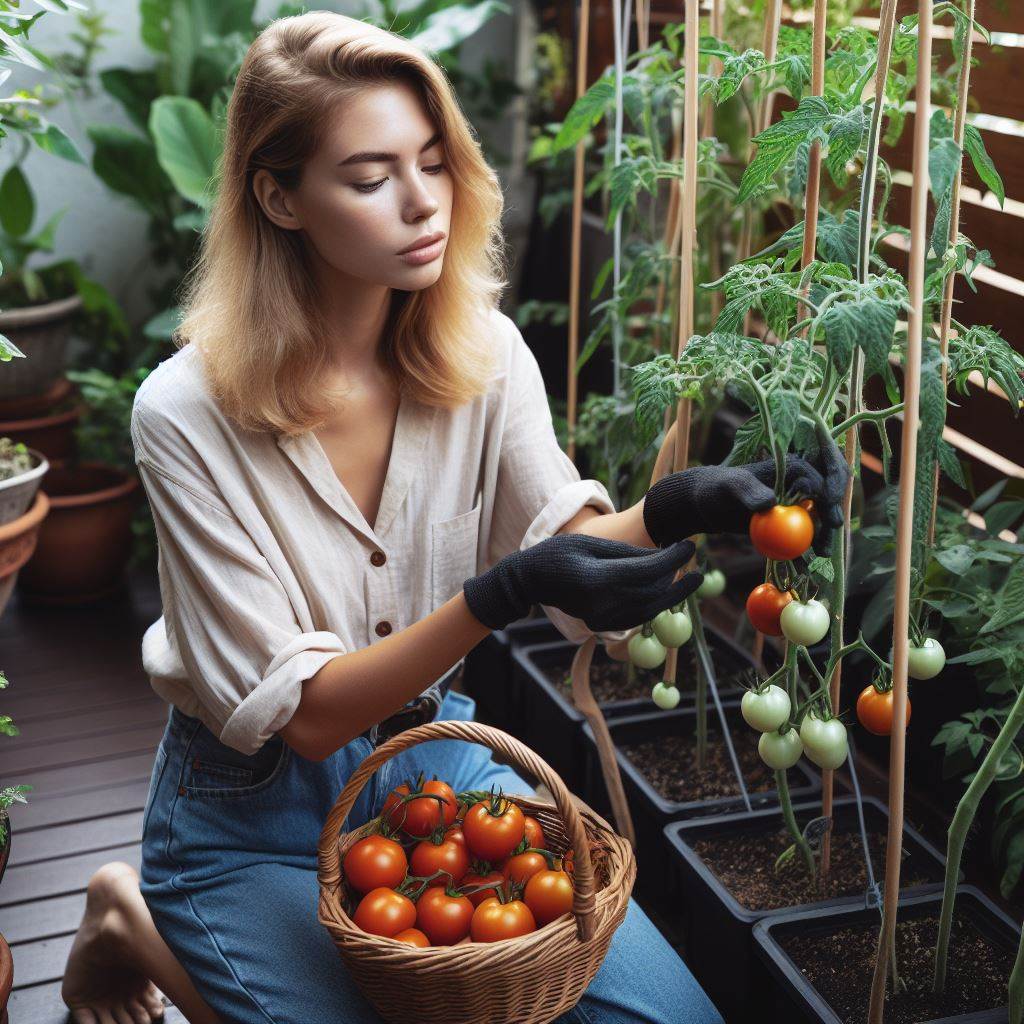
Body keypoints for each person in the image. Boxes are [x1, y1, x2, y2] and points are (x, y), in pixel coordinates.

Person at [60, 12, 848, 1024]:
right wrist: (496, 593)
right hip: (247, 812)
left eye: (433, 159)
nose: (423, 199)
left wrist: (678, 508)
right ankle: (129, 915)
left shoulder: (482, 354)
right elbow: (307, 717)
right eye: (370, 174)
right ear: (278, 196)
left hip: (438, 771)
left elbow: (569, 568)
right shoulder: (183, 416)